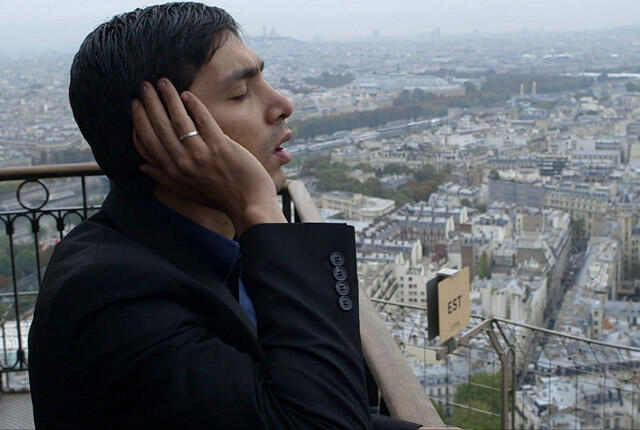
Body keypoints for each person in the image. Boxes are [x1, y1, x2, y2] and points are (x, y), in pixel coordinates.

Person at [28, 3, 422, 429]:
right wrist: (259, 206)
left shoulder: (195, 249)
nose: (283, 103)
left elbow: (265, 405)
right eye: (239, 94)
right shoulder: (109, 295)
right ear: (159, 133)